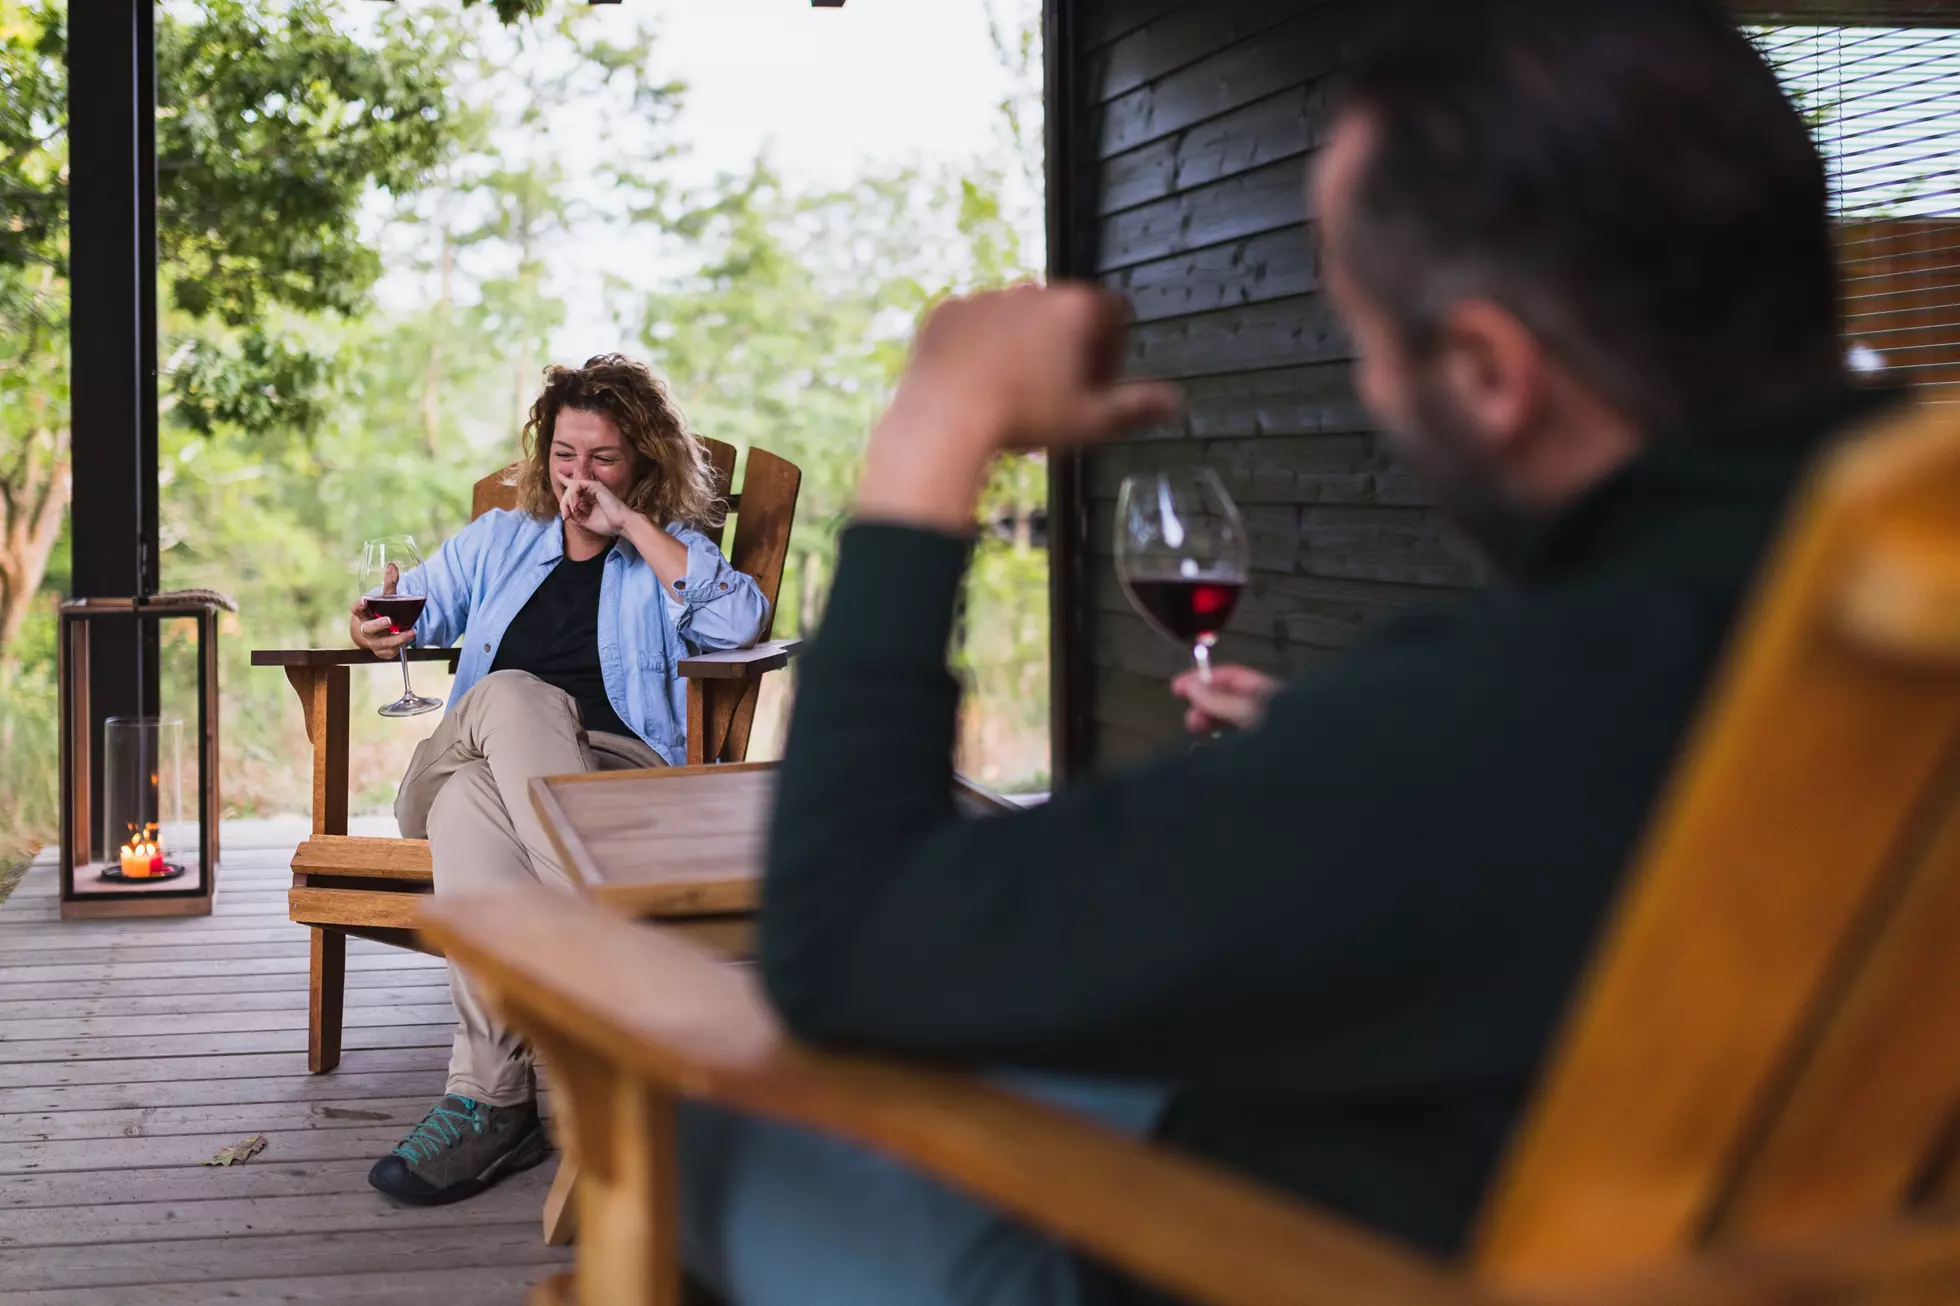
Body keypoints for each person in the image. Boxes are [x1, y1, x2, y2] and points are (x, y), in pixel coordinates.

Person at [672, 2, 1905, 1304]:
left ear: (1491, 370)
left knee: (713, 1118)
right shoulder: (1839, 637)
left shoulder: (1520, 710)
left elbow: (844, 938)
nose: (1373, 388)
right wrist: (1332, 769)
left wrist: (935, 424)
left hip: (1310, 1252)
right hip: (1703, 1198)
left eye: (1366, 333)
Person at [359, 354, 770, 1205]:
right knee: (509, 697)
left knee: (477, 812)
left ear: (641, 464)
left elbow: (739, 621)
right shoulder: (501, 540)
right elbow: (413, 609)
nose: (579, 478)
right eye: (564, 456)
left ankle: (491, 1105)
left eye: (603, 460)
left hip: (606, 784)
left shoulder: (670, 556)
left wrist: (632, 528)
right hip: (470, 759)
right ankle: (614, 957)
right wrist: (376, 619)